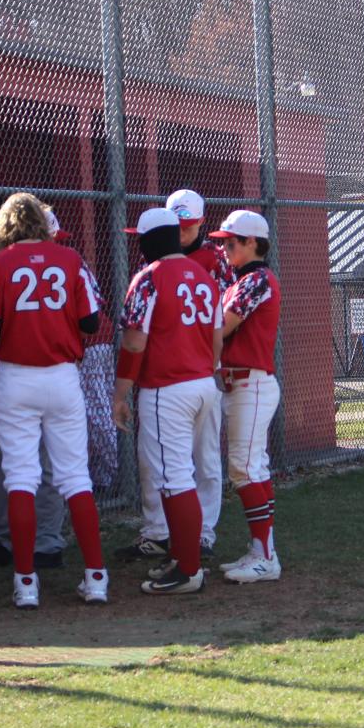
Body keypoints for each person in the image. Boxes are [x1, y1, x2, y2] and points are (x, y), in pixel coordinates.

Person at [0, 193, 109, 608]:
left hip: (14, 377)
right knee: (75, 478)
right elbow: (91, 320)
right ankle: (97, 578)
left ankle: (26, 583)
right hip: (62, 375)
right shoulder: (70, 259)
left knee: (20, 478)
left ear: (4, 226)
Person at [115, 189, 229, 564]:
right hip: (197, 376)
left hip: (176, 381)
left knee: (189, 467)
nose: (183, 231)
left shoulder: (174, 271)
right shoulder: (189, 273)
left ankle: (194, 546)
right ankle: (164, 535)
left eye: (188, 225)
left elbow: (134, 341)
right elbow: (214, 330)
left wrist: (122, 390)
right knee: (167, 466)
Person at [0, 234, 67, 572]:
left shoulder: (61, 263)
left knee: (45, 457)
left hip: (36, 372)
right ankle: (1, 540)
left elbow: (78, 324)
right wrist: (7, 363)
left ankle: (47, 541)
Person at [209, 209, 283, 584]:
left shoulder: (257, 279)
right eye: (223, 242)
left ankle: (266, 556)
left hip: (251, 382)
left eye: (230, 242)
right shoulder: (243, 280)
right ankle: (262, 550)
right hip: (242, 382)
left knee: (243, 467)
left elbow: (222, 326)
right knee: (253, 466)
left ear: (252, 243)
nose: (224, 248)